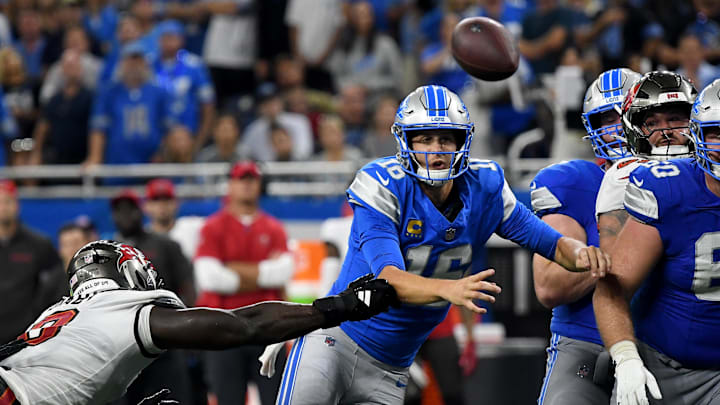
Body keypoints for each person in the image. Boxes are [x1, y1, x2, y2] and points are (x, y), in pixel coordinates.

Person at [275, 85, 611, 405]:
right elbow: (389, 278)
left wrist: (585, 255)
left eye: (445, 139)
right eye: (424, 139)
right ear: (404, 141)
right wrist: (448, 290)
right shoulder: (382, 185)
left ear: (462, 142)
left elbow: (550, 243)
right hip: (337, 341)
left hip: (390, 367)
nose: (435, 151)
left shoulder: (486, 187)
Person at [0, 239, 399, 404]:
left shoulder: (60, 314)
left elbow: (61, 386)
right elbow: (245, 326)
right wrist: (339, 307)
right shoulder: (119, 310)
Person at [592, 78, 720, 405]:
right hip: (664, 365)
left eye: (675, 119)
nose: (665, 131)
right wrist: (626, 358)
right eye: (716, 133)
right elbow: (611, 285)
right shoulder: (662, 187)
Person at [531, 68, 641, 405]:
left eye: (627, 116)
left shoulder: (685, 183)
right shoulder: (573, 181)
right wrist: (621, 250)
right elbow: (550, 285)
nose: (617, 129)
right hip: (586, 341)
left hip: (667, 345)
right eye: (606, 119)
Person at [194, 160, 296, 405]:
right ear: (230, 184)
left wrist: (232, 268)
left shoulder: (274, 228)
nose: (248, 185)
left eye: (252, 179)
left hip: (268, 328)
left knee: (277, 399)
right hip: (225, 326)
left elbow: (282, 273)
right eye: (242, 179)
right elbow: (211, 279)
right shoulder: (213, 227)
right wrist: (262, 273)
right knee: (228, 399)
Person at [0, 180, 63, 345]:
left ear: (17, 205)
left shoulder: (39, 244)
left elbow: (56, 284)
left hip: (25, 337)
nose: (3, 207)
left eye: (7, 201)